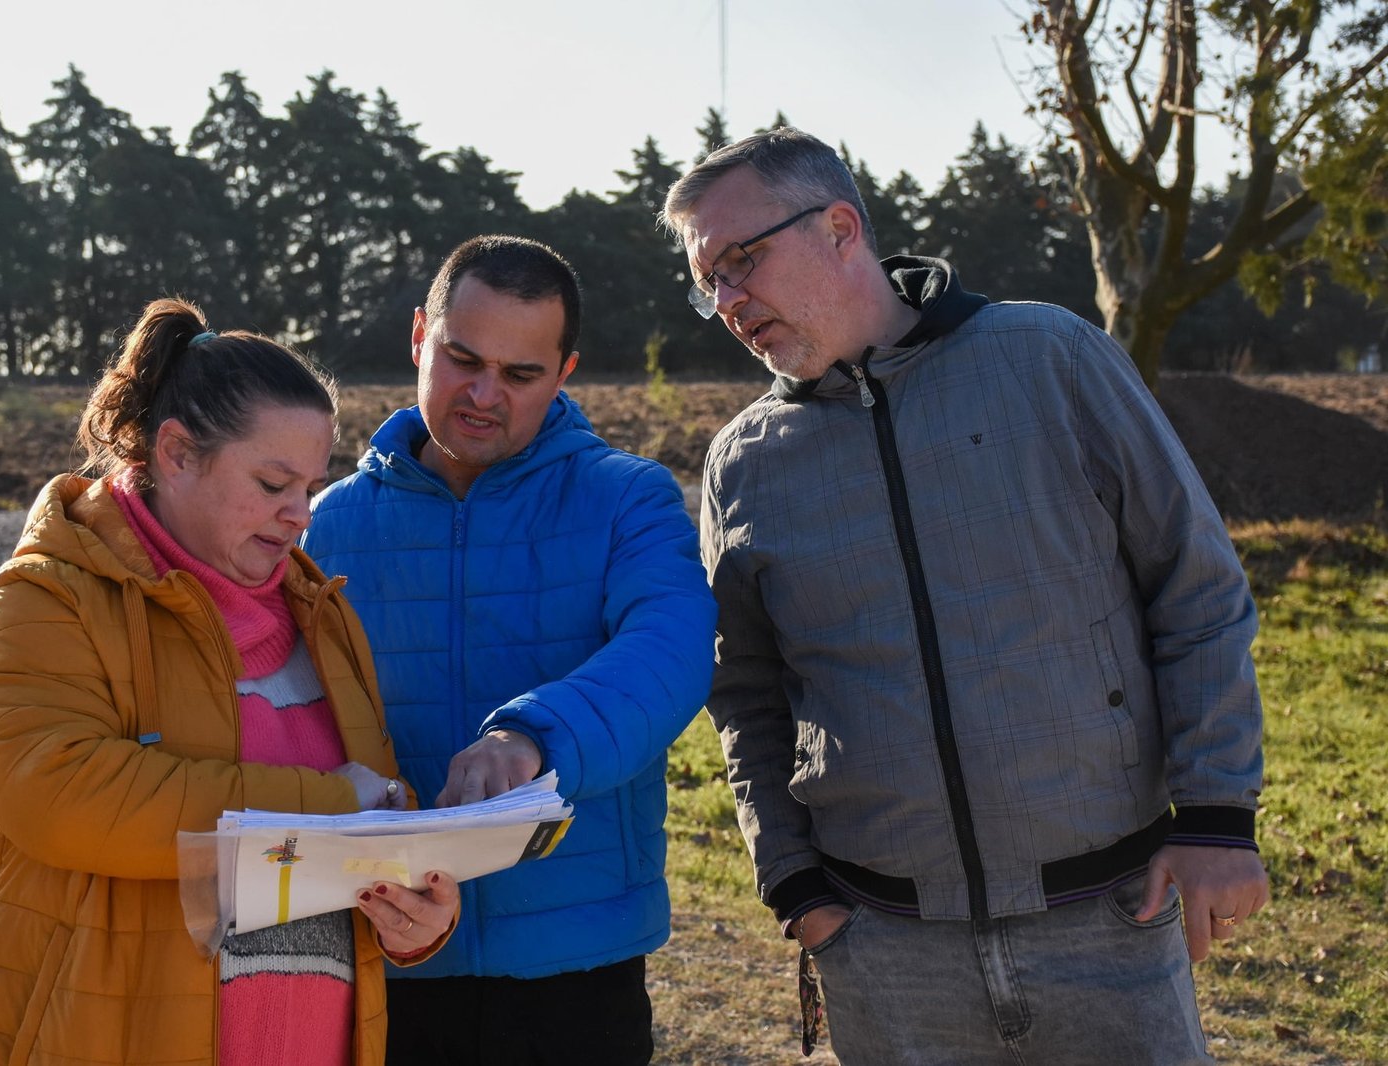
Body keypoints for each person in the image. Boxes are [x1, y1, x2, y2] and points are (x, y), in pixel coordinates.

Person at [658, 128, 1270, 1064]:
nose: (729, 301)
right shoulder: (745, 464)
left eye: (742, 261)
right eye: (710, 283)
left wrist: (1220, 817)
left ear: (839, 227)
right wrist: (798, 890)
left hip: (1109, 921)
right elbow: (745, 693)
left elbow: (1194, 585)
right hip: (886, 953)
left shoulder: (1051, 358)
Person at [0, 298, 458, 1066]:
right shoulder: (45, 597)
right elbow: (60, 795)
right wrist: (336, 809)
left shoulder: (323, 616)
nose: (300, 514)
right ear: (176, 453)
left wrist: (412, 918)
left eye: (310, 486)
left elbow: (370, 821)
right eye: (271, 483)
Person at [301, 235, 715, 1066]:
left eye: (521, 374)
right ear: (419, 336)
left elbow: (670, 651)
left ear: (564, 373)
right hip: (381, 952)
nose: (483, 394)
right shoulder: (327, 522)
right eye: (461, 358)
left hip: (575, 971)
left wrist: (531, 738)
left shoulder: (627, 496)